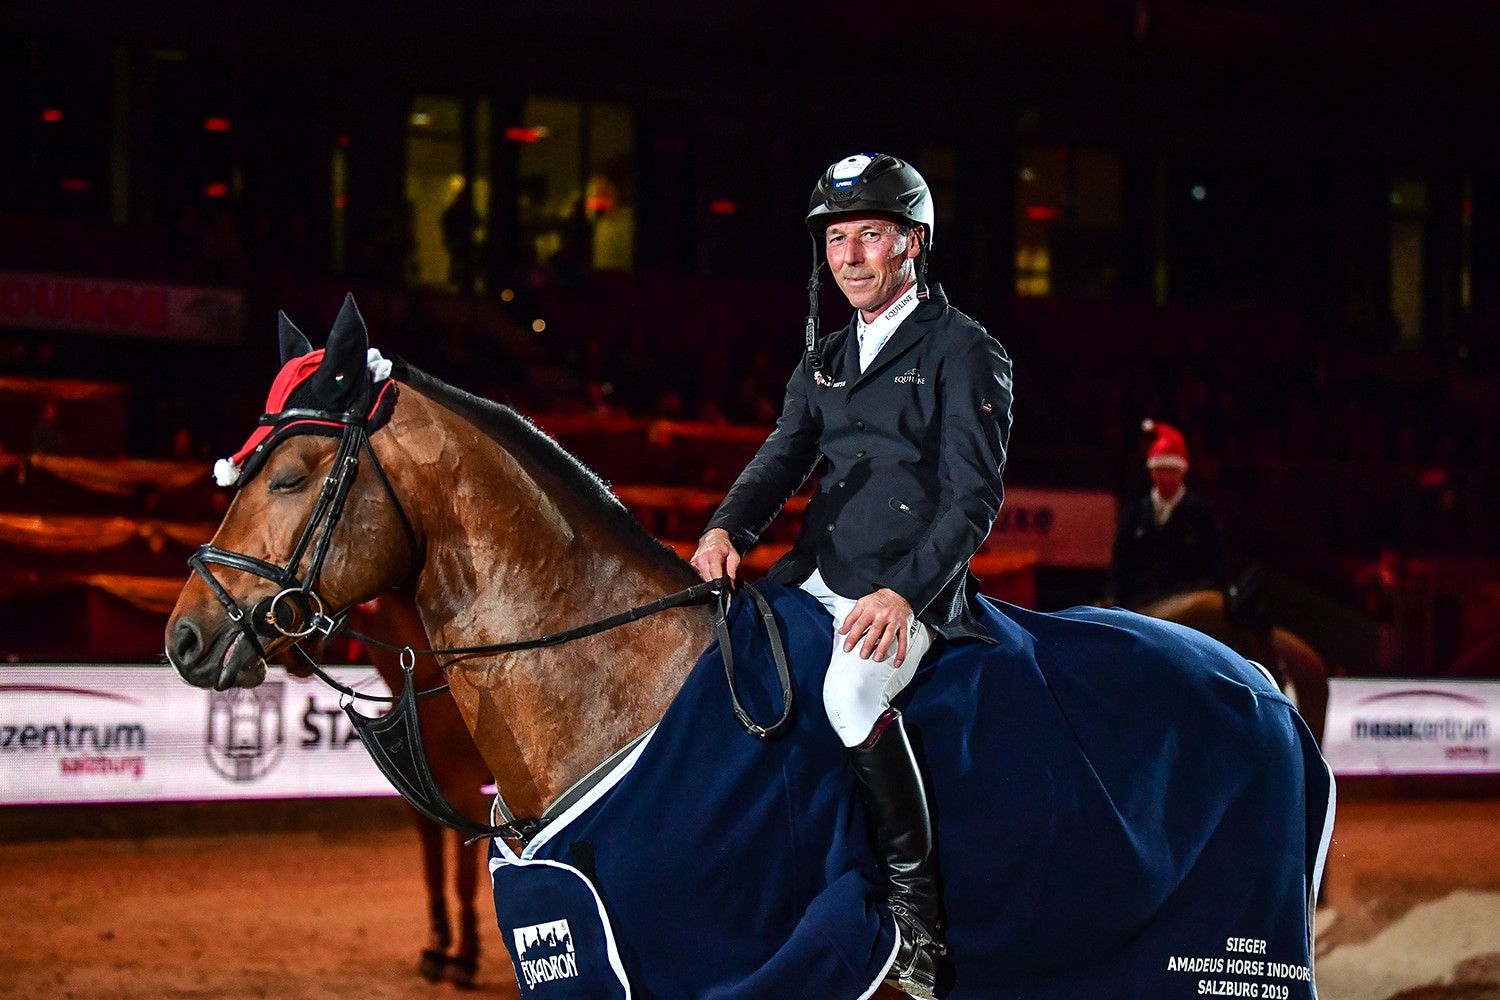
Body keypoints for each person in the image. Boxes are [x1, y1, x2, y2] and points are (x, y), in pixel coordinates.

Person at [689, 152, 1013, 999]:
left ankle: (916, 918)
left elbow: (974, 499)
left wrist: (905, 594)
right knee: (714, 659)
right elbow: (777, 461)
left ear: (912, 243)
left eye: (871, 235)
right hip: (817, 572)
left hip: (911, 587)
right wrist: (727, 526)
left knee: (849, 695)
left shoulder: (966, 350)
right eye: (838, 239)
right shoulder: (825, 356)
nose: (852, 257)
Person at [1105, 419, 1229, 610]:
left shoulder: (1201, 514)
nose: (1166, 477)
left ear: (1183, 471)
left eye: (1172, 470)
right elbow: (1120, 562)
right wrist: (1112, 596)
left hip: (1185, 607)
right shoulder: (1135, 512)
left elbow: (1214, 565)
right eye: (1160, 470)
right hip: (1139, 605)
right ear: (1151, 471)